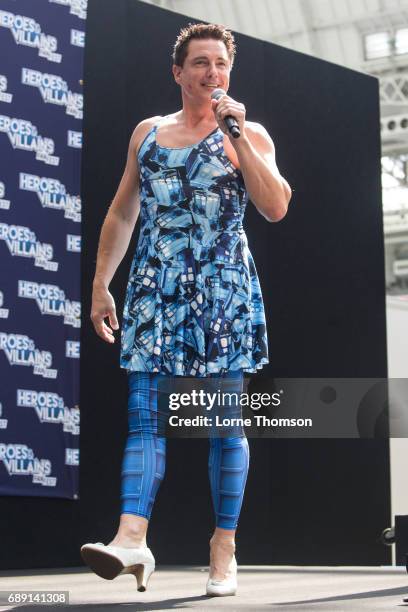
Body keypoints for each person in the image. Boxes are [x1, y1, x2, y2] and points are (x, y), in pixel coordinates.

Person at [80, 22, 292, 596]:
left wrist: (240, 138)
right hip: (155, 287)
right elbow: (123, 212)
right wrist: (103, 283)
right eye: (200, 63)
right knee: (144, 418)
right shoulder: (148, 134)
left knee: (224, 426)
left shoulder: (249, 134)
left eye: (220, 64)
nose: (212, 74)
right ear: (179, 73)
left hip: (223, 292)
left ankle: (223, 546)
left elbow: (274, 207)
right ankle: (131, 538)